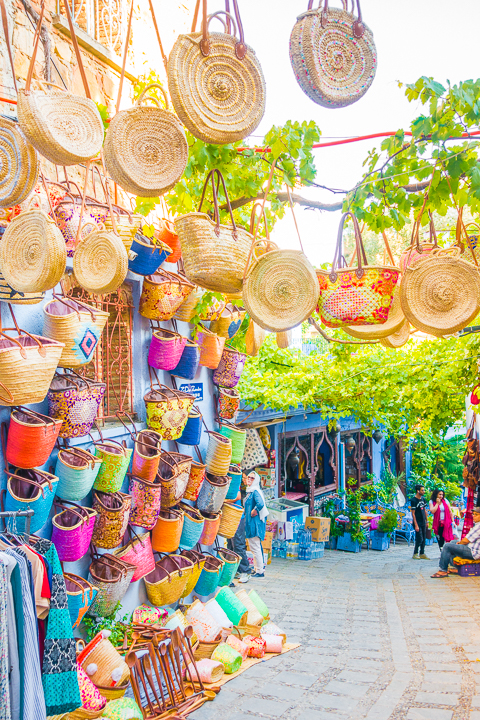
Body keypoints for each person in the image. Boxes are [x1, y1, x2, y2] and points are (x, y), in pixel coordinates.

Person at [431, 507, 480, 577]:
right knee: (453, 542)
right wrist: (458, 543)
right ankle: (455, 567)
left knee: (447, 546)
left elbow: (466, 541)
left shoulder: (479, 526)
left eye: (476, 514)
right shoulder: (477, 524)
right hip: (471, 548)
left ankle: (443, 570)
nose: (473, 516)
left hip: (474, 552)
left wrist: (459, 543)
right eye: (473, 514)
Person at [226, 471, 251, 584]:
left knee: (238, 544)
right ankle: (234, 570)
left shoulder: (234, 484)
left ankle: (246, 570)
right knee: (230, 546)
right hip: (229, 517)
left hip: (237, 517)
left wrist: (224, 500)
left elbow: (238, 496)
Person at [244, 470, 268, 578]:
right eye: (248, 477)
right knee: (255, 547)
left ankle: (259, 571)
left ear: (256, 480)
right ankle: (258, 569)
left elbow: (261, 504)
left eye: (252, 478)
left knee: (255, 547)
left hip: (255, 523)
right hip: (251, 523)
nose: (249, 479)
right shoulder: (251, 491)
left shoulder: (255, 491)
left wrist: (255, 510)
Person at [410, 484, 429, 559]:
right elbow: (413, 513)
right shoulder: (413, 500)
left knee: (424, 538)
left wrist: (427, 521)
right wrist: (416, 524)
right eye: (422, 490)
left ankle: (422, 553)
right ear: (418, 491)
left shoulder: (423, 499)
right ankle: (415, 553)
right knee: (419, 538)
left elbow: (425, 510)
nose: (424, 491)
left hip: (423, 521)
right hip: (417, 522)